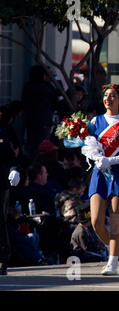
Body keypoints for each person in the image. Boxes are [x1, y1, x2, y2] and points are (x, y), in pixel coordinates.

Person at [85, 84, 119, 275]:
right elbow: (87, 145)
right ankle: (112, 248)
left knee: (115, 220)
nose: (108, 99)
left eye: (113, 96)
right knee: (97, 220)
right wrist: (93, 158)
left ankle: (112, 262)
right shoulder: (95, 121)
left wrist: (110, 160)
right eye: (106, 95)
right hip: (99, 175)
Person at [21, 65, 61, 161]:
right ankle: (41, 164)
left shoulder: (28, 86)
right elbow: (59, 92)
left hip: (30, 121)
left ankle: (30, 163)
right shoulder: (44, 88)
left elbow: (24, 103)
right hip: (44, 121)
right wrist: (55, 78)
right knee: (43, 146)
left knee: (30, 146)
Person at [0, 115, 20, 275]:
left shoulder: (2, 133)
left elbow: (10, 157)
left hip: (0, 184)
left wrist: (14, 170)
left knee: (0, 221)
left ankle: (2, 259)